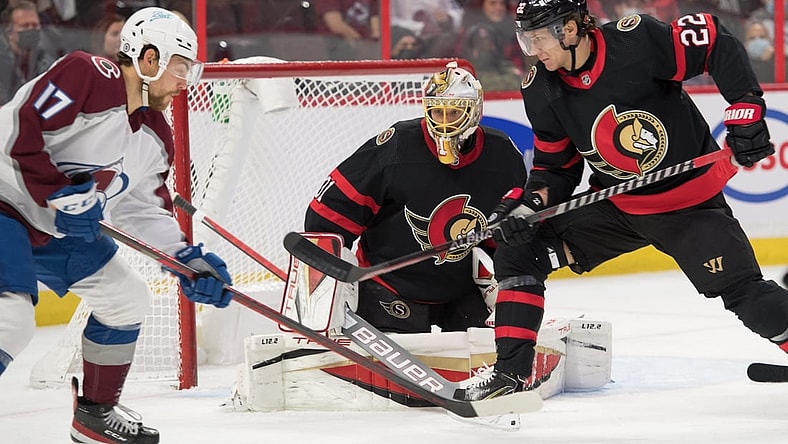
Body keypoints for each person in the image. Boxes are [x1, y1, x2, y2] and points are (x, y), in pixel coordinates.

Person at [459, 0, 785, 401]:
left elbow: (714, 39)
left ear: (572, 30)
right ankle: (510, 377)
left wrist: (746, 107)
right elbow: (556, 168)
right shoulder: (541, 88)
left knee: (746, 296)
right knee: (519, 251)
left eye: (540, 37)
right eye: (526, 38)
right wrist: (530, 204)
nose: (533, 49)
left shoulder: (637, 41)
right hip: (619, 207)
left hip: (688, 205)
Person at [0, 7, 234, 443]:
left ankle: (95, 415)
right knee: (11, 321)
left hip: (51, 226)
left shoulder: (154, 135)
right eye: (180, 66)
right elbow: (18, 129)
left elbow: (141, 209)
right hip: (4, 202)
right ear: (148, 59)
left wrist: (186, 258)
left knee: (125, 299)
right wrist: (62, 193)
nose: (186, 81)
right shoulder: (87, 75)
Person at [303, 62, 527, 334]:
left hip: (462, 289)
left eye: (454, 113)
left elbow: (507, 232)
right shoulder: (396, 147)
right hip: (390, 286)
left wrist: (504, 273)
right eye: (437, 113)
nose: (444, 123)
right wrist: (330, 275)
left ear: (474, 111)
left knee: (491, 355)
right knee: (392, 370)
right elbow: (327, 214)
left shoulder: (502, 155)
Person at [0, 0, 57, 105]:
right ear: (9, 32)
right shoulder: (2, 62)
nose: (31, 30)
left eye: (35, 25)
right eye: (25, 26)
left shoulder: (47, 62)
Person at [314, 0, 380, 60]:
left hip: (368, 50)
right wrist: (360, 43)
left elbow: (376, 23)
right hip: (336, 47)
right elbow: (335, 24)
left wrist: (374, 45)